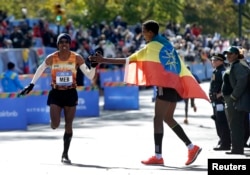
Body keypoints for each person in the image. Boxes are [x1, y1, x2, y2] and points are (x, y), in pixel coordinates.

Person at [89, 20, 203, 166]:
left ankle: (159, 156)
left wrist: (103, 59)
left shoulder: (151, 46)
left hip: (165, 85)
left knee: (158, 119)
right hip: (175, 83)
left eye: (143, 31)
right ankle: (191, 148)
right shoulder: (166, 43)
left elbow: (129, 60)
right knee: (168, 118)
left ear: (150, 32)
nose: (142, 35)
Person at [19, 33, 97, 163]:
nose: (64, 44)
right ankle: (54, 122)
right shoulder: (52, 58)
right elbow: (40, 68)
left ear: (70, 44)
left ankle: (65, 153)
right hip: (56, 93)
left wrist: (93, 66)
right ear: (57, 44)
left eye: (66, 42)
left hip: (70, 93)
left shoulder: (76, 58)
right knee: (55, 124)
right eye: (61, 42)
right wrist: (31, 84)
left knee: (69, 125)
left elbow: (89, 76)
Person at [222, 46, 250, 154]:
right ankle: (237, 148)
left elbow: (242, 81)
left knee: (236, 125)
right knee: (235, 124)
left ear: (236, 55)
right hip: (232, 99)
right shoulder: (235, 65)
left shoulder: (238, 66)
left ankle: (237, 149)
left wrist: (234, 96)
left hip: (235, 100)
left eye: (230, 54)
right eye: (227, 54)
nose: (228, 56)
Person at [208, 53, 231, 151]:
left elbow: (227, 85)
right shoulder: (216, 71)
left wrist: (219, 94)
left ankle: (225, 143)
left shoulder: (222, 71)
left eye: (215, 60)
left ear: (221, 61)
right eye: (212, 60)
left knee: (222, 121)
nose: (213, 62)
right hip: (215, 101)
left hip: (220, 101)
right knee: (218, 121)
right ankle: (222, 140)